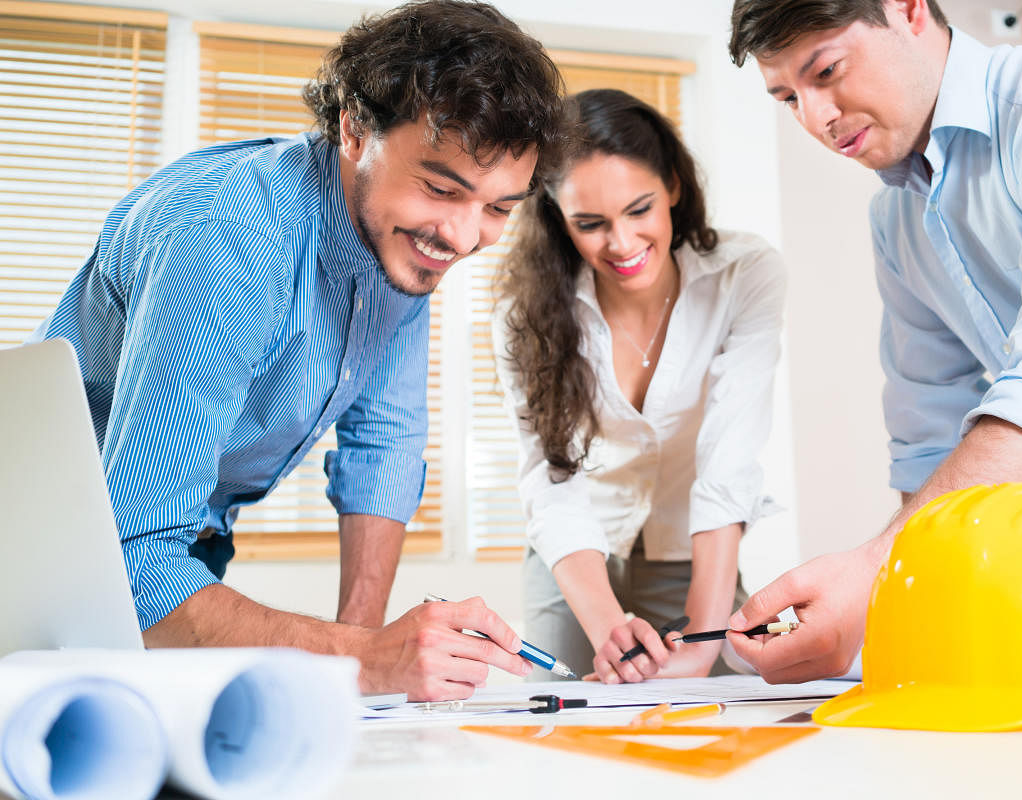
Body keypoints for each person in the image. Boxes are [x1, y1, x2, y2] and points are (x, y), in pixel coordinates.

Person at [32, 0, 564, 700]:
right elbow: (134, 565)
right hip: (42, 553)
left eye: (499, 208)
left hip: (175, 546)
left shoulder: (401, 242)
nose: (464, 238)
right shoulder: (228, 239)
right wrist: (363, 657)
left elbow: (383, 448)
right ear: (354, 127)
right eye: (442, 188)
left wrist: (365, 672)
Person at [723, 0, 1022, 684]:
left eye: (826, 71)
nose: (815, 119)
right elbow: (930, 435)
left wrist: (876, 569)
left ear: (909, 9)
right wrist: (889, 594)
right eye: (787, 97)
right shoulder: (897, 215)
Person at [494, 89, 787, 684]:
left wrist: (704, 644)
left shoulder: (745, 275)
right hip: (576, 554)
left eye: (639, 209)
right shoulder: (524, 313)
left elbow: (727, 460)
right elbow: (551, 479)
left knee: (727, 724)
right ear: (558, 219)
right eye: (591, 224)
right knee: (571, 731)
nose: (622, 244)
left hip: (691, 550)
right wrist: (609, 633)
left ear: (673, 186)